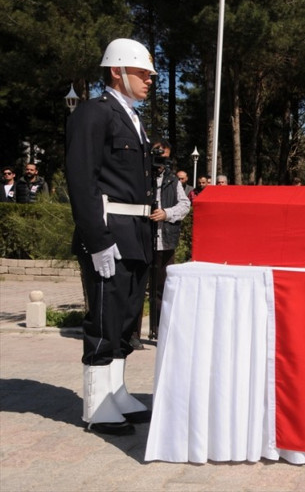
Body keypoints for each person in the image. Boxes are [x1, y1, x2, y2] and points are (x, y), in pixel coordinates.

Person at [65, 37, 157, 436]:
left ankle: (116, 392)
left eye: (152, 74)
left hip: (136, 231)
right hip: (110, 231)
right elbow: (81, 181)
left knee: (124, 320)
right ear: (117, 71)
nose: (149, 80)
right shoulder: (93, 113)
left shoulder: (133, 119)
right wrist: (97, 239)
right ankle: (95, 405)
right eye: (142, 72)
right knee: (104, 319)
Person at [143, 141, 190, 342]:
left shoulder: (173, 179)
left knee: (163, 288)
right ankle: (134, 334)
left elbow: (185, 204)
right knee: (139, 287)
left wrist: (167, 214)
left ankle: (161, 330)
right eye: (157, 156)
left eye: (165, 157)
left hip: (166, 240)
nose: (160, 161)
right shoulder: (142, 177)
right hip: (143, 239)